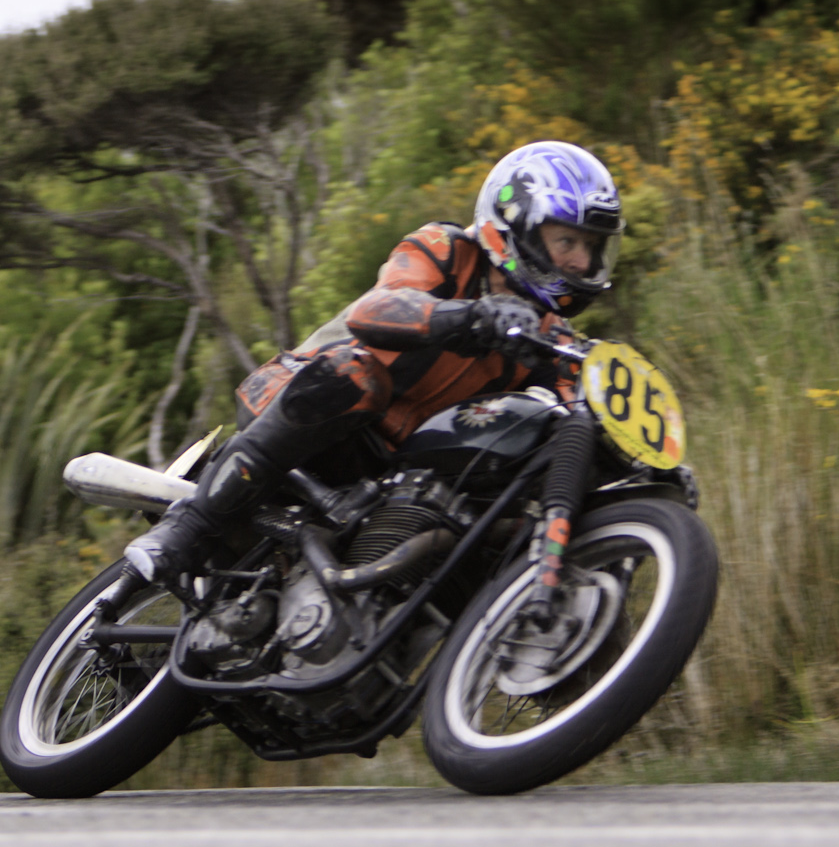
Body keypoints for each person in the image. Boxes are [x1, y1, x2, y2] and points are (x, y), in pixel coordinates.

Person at [125, 140, 624, 583]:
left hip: (396, 474)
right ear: (517, 227)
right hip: (306, 402)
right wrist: (473, 316)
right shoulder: (446, 249)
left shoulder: (551, 339)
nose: (581, 262)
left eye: (590, 247)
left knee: (497, 517)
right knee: (355, 374)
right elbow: (379, 309)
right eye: (567, 242)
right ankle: (185, 528)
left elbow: (569, 412)